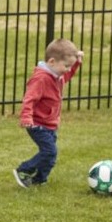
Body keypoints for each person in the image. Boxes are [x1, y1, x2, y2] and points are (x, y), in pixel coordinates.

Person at [13, 39, 84, 188]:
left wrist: (76, 63)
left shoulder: (56, 75)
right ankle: (23, 170)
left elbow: (68, 76)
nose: (67, 69)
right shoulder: (41, 78)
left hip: (50, 124)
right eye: (66, 66)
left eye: (69, 66)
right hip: (37, 123)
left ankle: (40, 179)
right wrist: (26, 116)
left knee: (51, 156)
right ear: (52, 61)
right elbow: (29, 98)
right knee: (49, 152)